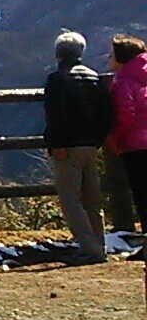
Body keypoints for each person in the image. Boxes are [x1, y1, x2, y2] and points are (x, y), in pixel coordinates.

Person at [45, 32, 111, 263]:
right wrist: (98, 140)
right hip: (91, 145)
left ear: (58, 54)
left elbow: (56, 116)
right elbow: (105, 114)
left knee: (70, 199)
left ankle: (88, 247)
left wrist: (57, 144)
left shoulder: (57, 79)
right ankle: (99, 245)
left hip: (69, 146)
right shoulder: (94, 78)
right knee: (92, 199)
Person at [107, 34, 147, 260]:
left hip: (136, 145)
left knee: (142, 195)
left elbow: (125, 114)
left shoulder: (123, 81)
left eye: (111, 54)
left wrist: (117, 139)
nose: (109, 58)